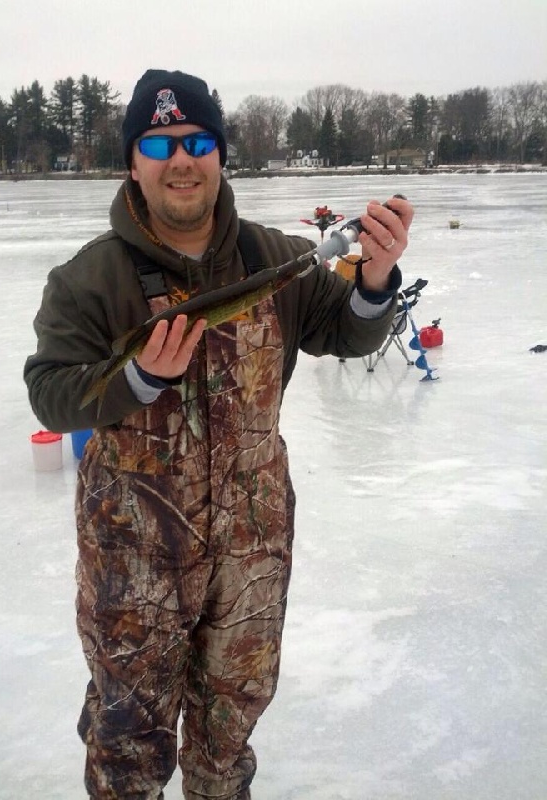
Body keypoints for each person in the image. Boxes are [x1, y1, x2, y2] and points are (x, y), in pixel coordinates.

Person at [24, 68, 414, 800]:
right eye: (159, 142)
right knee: (126, 741)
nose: (181, 158)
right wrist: (134, 381)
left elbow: (346, 332)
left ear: (221, 153)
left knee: (228, 734)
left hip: (253, 554)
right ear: (132, 161)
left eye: (197, 140)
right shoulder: (87, 280)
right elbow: (49, 393)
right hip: (133, 561)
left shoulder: (276, 258)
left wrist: (374, 286)